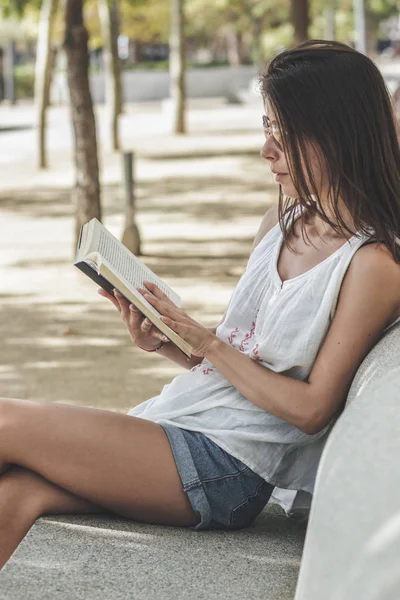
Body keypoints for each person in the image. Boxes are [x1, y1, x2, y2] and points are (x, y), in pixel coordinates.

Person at [1, 39, 400, 569]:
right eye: (266, 127)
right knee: (18, 494)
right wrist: (170, 342)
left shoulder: (371, 264)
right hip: (184, 426)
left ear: (339, 133)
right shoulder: (282, 222)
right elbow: (246, 362)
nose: (267, 151)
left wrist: (207, 339)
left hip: (225, 466)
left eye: (286, 134)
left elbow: (311, 409)